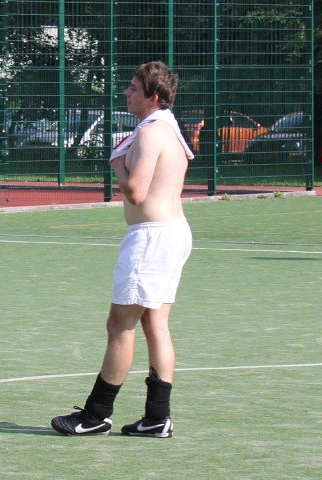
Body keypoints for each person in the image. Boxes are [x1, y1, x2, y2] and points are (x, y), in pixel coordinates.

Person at [50, 61, 194, 438]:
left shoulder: (151, 133)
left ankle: (96, 415)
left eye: (133, 89)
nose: (126, 93)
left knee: (119, 325)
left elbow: (136, 192)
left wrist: (117, 164)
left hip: (151, 239)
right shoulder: (169, 127)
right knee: (155, 323)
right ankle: (157, 418)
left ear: (153, 97)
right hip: (172, 233)